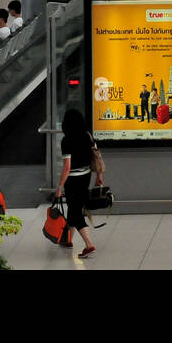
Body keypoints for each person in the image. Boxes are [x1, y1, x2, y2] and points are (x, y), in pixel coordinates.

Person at [56, 109, 100, 258]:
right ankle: (68, 239)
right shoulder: (87, 136)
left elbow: (67, 167)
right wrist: (99, 176)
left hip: (73, 179)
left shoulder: (66, 140)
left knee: (75, 211)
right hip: (86, 176)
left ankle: (89, 244)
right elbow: (97, 156)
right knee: (74, 206)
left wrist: (60, 186)